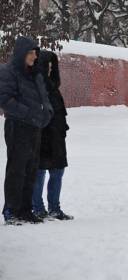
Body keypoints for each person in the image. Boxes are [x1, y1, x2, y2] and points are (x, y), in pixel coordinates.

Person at [0, 36, 53, 225]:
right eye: (31, 53)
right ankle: (11, 210)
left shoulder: (35, 74)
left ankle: (25, 210)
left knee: (31, 169)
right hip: (17, 125)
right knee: (17, 169)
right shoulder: (8, 71)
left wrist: (47, 112)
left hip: (34, 127)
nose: (34, 57)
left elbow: (44, 98)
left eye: (35, 53)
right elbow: (5, 99)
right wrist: (29, 113)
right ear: (22, 53)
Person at [31, 50, 73, 220]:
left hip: (57, 137)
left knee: (57, 172)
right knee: (39, 172)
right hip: (41, 136)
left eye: (51, 67)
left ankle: (55, 208)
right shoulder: (35, 86)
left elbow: (59, 112)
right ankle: (38, 208)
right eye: (46, 67)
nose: (49, 70)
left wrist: (62, 128)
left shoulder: (54, 87)